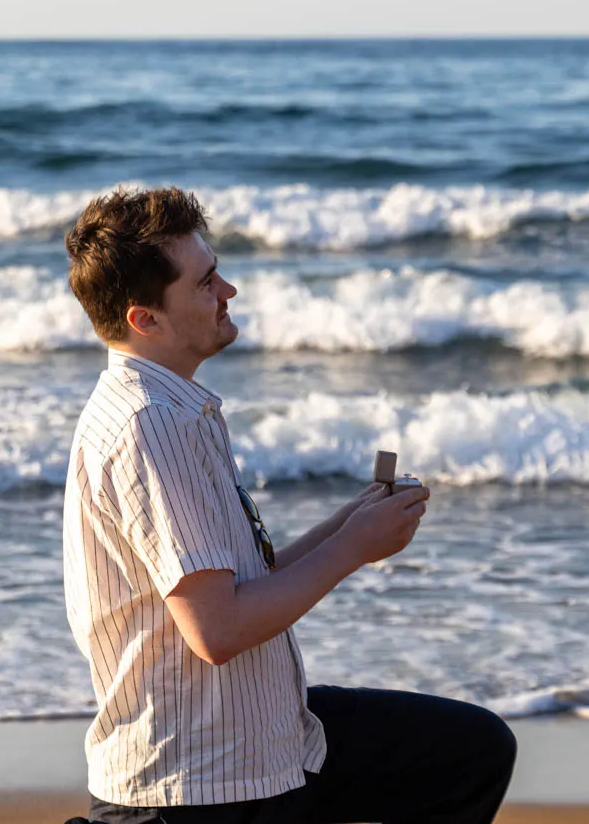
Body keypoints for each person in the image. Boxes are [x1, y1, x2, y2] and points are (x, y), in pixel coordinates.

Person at [60, 186, 516, 824]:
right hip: (198, 781)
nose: (228, 291)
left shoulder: (173, 408)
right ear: (146, 319)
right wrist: (355, 551)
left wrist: (347, 525)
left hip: (259, 738)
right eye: (206, 282)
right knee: (469, 755)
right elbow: (216, 632)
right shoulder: (149, 425)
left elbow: (238, 586)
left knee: (470, 751)